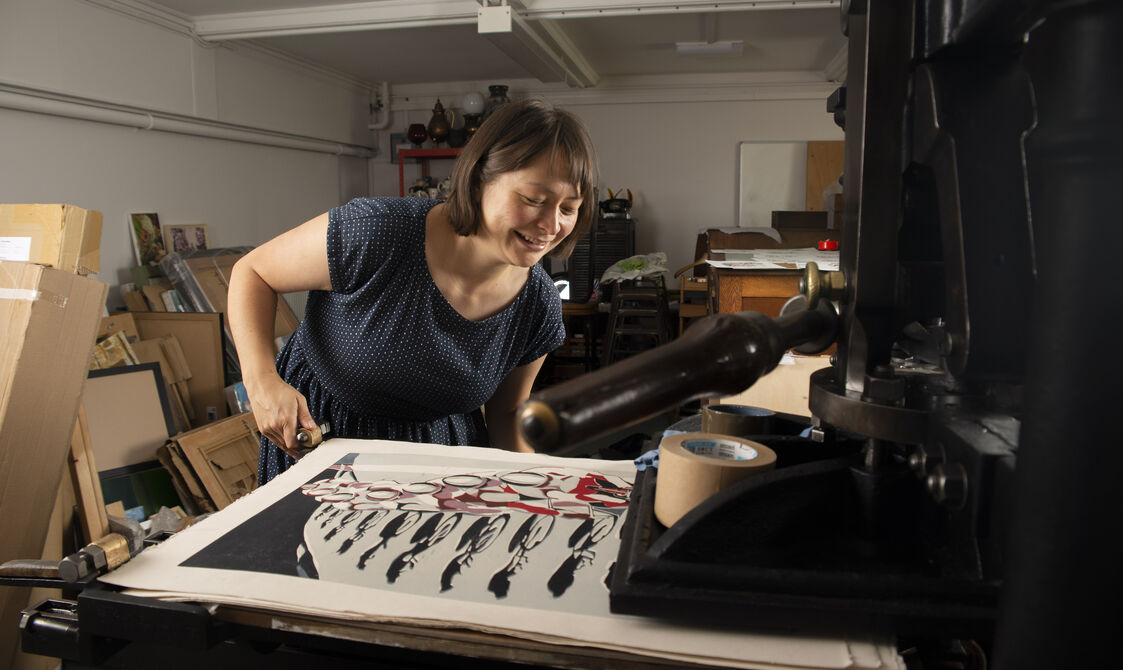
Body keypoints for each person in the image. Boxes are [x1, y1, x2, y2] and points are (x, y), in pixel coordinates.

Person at [229, 98, 599, 485]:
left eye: (569, 208)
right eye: (533, 200)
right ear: (478, 182)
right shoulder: (376, 232)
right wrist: (262, 383)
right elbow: (252, 272)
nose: (550, 224)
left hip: (439, 464)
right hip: (324, 442)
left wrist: (531, 488)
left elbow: (507, 415)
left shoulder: (537, 304)